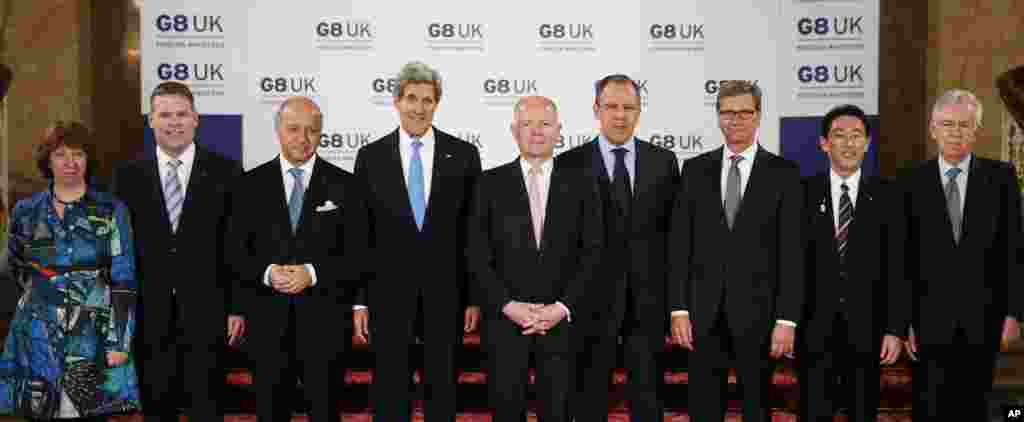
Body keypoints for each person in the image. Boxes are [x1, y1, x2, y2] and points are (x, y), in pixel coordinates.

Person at [353, 61, 482, 422]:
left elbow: (473, 233)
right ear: (396, 101)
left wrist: (473, 297)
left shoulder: (464, 156)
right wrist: (360, 302)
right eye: (411, 98)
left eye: (428, 99)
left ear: (437, 103)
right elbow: (361, 237)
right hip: (387, 294)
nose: (419, 107)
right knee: (389, 388)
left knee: (443, 386)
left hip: (447, 294)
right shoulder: (370, 157)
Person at [668, 80, 803, 422]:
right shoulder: (695, 169)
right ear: (717, 117)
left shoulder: (784, 174)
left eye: (744, 112)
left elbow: (792, 252)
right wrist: (679, 308)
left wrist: (786, 319)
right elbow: (680, 243)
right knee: (703, 405)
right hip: (702, 313)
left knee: (756, 406)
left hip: (760, 314)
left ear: (758, 116)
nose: (736, 120)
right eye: (727, 112)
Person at [227, 96, 369, 422]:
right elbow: (233, 252)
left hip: (326, 324)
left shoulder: (347, 186)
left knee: (325, 411)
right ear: (278, 130)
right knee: (270, 412)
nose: (302, 139)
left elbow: (360, 254)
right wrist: (266, 273)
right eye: (293, 129)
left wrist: (313, 272)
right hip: (266, 324)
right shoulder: (248, 185)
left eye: (312, 131)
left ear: (321, 134)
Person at [111, 81, 244, 422]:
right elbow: (118, 251)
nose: (174, 122)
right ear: (151, 121)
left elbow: (237, 246)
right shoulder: (126, 176)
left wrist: (236, 307)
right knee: (157, 407)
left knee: (208, 406)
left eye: (182, 114)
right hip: (148, 313)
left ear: (196, 119)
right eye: (165, 114)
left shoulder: (227, 172)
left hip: (208, 312)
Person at [466, 96, 601, 422]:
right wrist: (509, 306)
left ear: (559, 131)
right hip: (505, 323)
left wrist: (561, 307)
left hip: (562, 324)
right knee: (506, 411)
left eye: (545, 124)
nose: (536, 131)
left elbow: (594, 252)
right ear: (514, 131)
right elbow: (476, 254)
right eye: (527, 124)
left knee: (558, 411)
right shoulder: (488, 184)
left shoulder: (583, 183)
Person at [558, 74, 679, 421]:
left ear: (639, 111)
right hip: (588, 300)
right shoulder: (569, 164)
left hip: (648, 302)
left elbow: (673, 236)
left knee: (648, 397)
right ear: (596, 109)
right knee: (587, 396)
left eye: (629, 107)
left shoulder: (664, 162)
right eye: (611, 106)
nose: (620, 115)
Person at [0, 121, 140, 419]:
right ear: (48, 161)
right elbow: (16, 266)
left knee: (88, 411)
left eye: (78, 154)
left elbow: (124, 278)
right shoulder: (27, 211)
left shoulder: (111, 209)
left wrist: (120, 342)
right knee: (38, 410)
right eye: (61, 154)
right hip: (37, 333)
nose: (70, 162)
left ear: (88, 161)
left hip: (95, 334)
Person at [902, 89, 1022, 420]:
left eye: (964, 125)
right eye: (948, 124)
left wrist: (1013, 314)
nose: (955, 132)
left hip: (984, 317)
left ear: (977, 129)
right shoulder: (910, 181)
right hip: (928, 319)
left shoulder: (1002, 179)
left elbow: (1014, 249)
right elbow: (903, 259)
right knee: (929, 407)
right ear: (933, 128)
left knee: (974, 407)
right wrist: (905, 320)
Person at [798, 104, 907, 422]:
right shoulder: (801, 192)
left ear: (867, 143)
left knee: (863, 412)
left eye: (856, 135)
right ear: (824, 143)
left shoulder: (889, 195)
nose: (848, 143)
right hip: (813, 331)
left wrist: (894, 328)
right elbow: (788, 264)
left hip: (868, 332)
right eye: (839, 135)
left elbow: (898, 267)